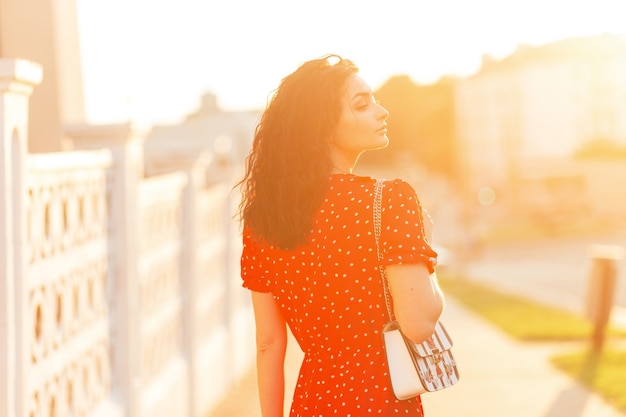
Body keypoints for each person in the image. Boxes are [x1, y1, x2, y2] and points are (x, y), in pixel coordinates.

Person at [237, 54, 444, 417]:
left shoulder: (264, 220)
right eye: (362, 105)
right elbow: (419, 323)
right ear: (323, 125)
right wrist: (425, 249)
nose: (383, 112)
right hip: (382, 404)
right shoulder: (389, 199)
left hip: (313, 403)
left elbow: (269, 344)